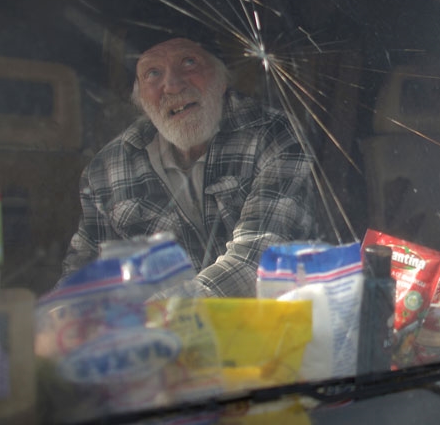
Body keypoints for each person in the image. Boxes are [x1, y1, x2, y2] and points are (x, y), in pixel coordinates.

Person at [63, 37, 316, 297]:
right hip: (157, 333)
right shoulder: (107, 169)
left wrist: (167, 312)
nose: (172, 86)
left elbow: (263, 253)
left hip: (268, 329)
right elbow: (85, 274)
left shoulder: (273, 134)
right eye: (152, 73)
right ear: (139, 97)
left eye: (188, 62)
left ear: (222, 77)